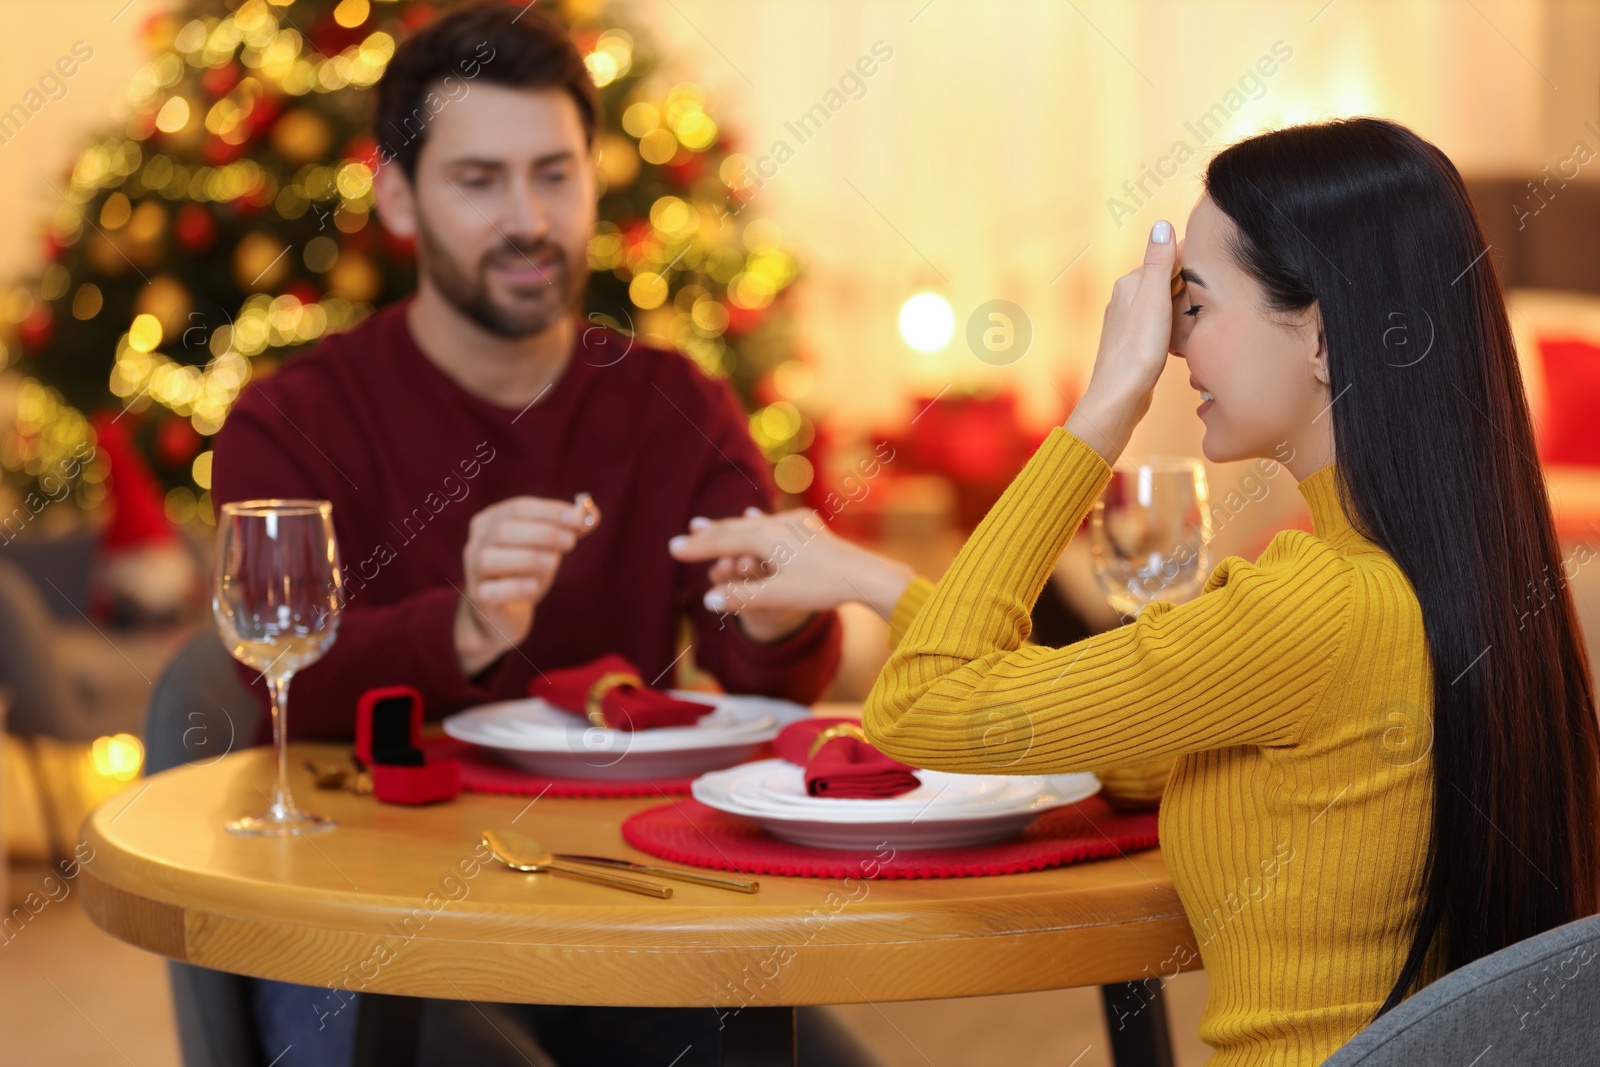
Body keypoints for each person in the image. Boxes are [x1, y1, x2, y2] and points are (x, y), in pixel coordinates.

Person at [669, 117, 1600, 1065]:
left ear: (1320, 335)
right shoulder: (1447, 577)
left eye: (1191, 304)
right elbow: (1139, 735)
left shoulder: (1312, 608)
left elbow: (919, 705)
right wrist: (874, 580)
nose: (1171, 347)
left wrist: (1105, 403)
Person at [209, 4, 870, 1065]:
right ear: (398, 196)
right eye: (479, 180)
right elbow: (290, 678)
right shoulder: (293, 425)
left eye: (553, 173)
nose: (528, 217)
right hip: (361, 922)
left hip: (620, 898)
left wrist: (779, 617)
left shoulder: (676, 403)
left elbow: (763, 681)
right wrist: (464, 626)